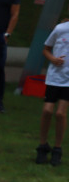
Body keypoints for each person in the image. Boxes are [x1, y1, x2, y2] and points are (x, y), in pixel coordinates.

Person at [35, 9, 69, 166]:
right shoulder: (60, 29)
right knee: (47, 110)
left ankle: (57, 149)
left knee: (61, 114)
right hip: (55, 77)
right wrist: (53, 59)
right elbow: (45, 49)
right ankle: (42, 145)